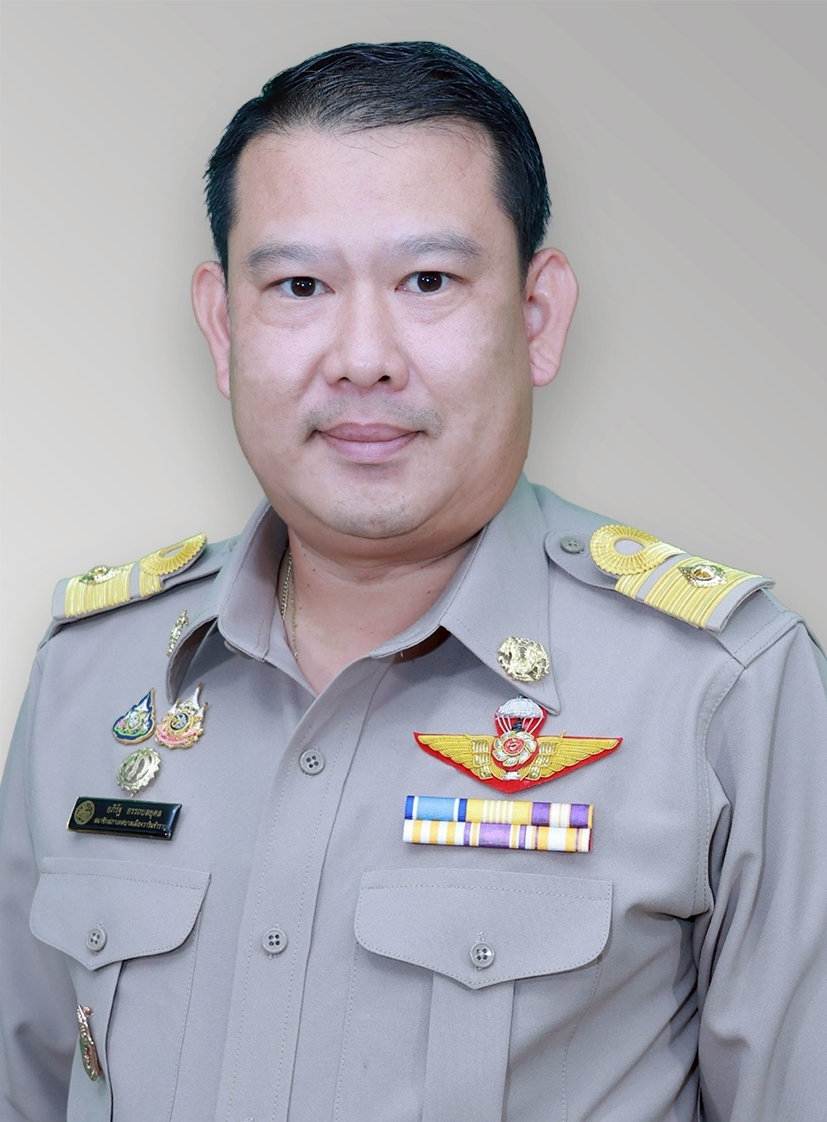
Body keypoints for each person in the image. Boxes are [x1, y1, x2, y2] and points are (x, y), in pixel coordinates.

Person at [1, 40, 825, 1122]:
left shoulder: (722, 688)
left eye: (427, 282)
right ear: (222, 326)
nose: (362, 356)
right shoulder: (91, 672)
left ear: (536, 317)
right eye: (299, 286)